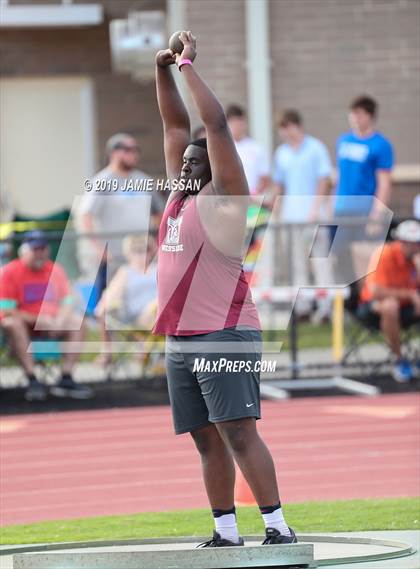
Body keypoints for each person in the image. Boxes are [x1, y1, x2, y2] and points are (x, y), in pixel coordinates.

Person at [153, 31, 296, 547]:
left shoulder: (227, 200)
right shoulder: (179, 195)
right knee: (205, 439)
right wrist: (162, 67)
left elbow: (212, 125)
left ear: (217, 170)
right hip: (181, 337)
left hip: (225, 332)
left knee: (238, 432)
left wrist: (189, 66)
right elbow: (176, 125)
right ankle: (225, 531)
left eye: (196, 163)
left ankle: (277, 527)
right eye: (184, 163)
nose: (185, 167)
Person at [77, 133, 163, 363]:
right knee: (110, 303)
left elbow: (159, 214)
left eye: (136, 149)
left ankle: (144, 349)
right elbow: (86, 215)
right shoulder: (102, 181)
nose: (134, 154)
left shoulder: (143, 180)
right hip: (113, 256)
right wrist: (97, 247)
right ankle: (108, 351)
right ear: (114, 152)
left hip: (142, 256)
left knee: (147, 301)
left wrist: (161, 245)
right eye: (128, 149)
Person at [0, 231, 92, 401]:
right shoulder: (10, 272)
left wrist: (60, 320)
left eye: (43, 249)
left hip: (52, 323)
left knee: (77, 321)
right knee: (12, 323)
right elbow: (7, 310)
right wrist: (38, 320)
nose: (40, 254)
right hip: (24, 325)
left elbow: (67, 301)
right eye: (35, 249)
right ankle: (32, 379)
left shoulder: (55, 270)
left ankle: (66, 378)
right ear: (24, 251)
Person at [272, 109, 333, 320]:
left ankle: (326, 307)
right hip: (291, 217)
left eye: (287, 128)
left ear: (297, 126)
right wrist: (277, 213)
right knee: (296, 263)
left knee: (320, 261)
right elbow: (279, 185)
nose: (285, 134)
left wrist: (315, 209)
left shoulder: (316, 148)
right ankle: (302, 307)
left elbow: (324, 180)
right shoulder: (281, 153)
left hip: (315, 215)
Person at [333, 95, 394, 284]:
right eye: (352, 113)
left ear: (369, 116)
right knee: (336, 255)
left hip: (365, 210)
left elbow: (384, 182)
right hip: (342, 209)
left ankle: (365, 300)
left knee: (364, 256)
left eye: (359, 114)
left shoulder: (380, 145)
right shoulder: (343, 140)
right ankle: (345, 301)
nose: (354, 118)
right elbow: (340, 176)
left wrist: (377, 214)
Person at [358, 220, 420, 382]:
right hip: (372, 307)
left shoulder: (415, 259)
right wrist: (411, 295)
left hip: (406, 306)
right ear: (403, 242)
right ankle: (399, 360)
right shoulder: (384, 254)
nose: (418, 247)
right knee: (390, 306)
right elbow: (376, 291)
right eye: (416, 243)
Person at [95, 234, 157, 329]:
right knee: (155, 306)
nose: (143, 254)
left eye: (146, 250)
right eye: (138, 251)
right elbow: (109, 298)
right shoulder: (125, 272)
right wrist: (104, 307)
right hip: (138, 316)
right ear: (129, 253)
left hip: (160, 310)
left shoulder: (157, 269)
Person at [226, 104, 271, 197]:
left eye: (239, 122)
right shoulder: (223, 150)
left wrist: (253, 194)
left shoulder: (257, 149)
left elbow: (265, 178)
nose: (237, 126)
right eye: (233, 123)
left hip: (253, 202)